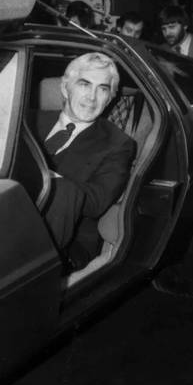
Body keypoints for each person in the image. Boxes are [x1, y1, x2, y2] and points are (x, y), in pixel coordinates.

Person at [41, 52, 137, 264]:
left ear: (110, 98)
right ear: (65, 88)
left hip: (65, 244)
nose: (92, 97)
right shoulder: (26, 119)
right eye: (84, 84)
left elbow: (96, 201)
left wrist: (43, 177)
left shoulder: (118, 144)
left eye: (103, 89)